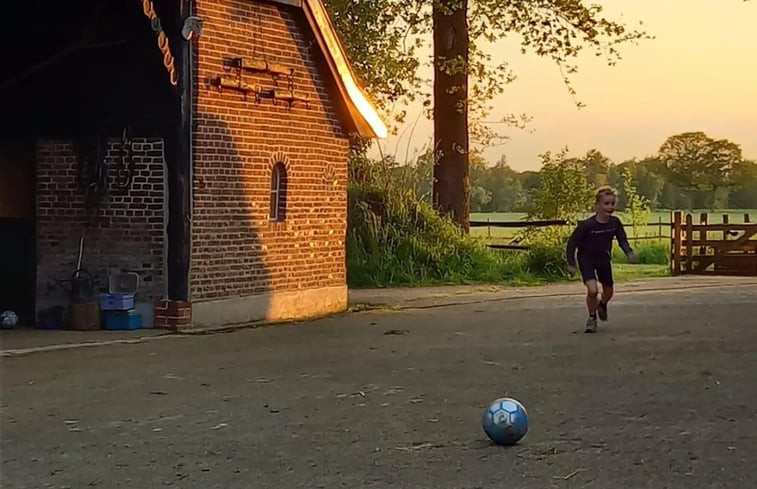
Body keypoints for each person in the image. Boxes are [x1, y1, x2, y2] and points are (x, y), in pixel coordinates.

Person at [566, 186, 636, 333]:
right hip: (587, 260)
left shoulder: (615, 223)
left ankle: (602, 304)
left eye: (612, 203)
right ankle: (592, 318)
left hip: (603, 260)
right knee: (592, 291)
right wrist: (571, 263)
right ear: (597, 206)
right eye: (606, 203)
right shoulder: (587, 225)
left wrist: (628, 252)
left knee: (609, 292)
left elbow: (622, 240)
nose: (610, 207)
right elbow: (572, 243)